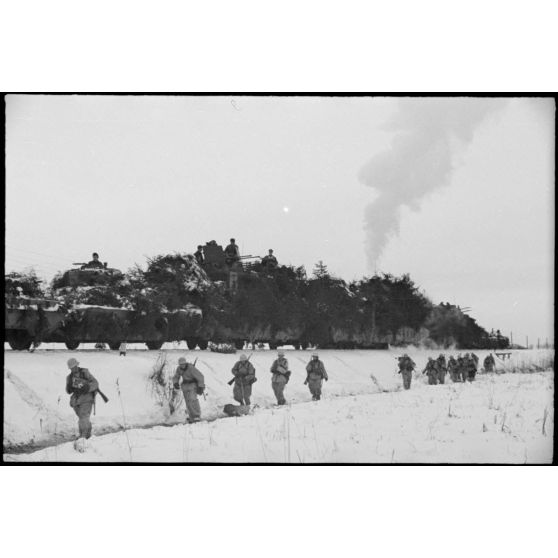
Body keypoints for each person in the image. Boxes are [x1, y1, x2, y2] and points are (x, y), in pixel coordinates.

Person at [65, 357, 99, 443]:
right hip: (76, 401)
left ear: (77, 365)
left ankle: (84, 436)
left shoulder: (85, 372)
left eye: (75, 366)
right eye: (72, 368)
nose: (74, 368)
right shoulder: (69, 377)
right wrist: (69, 388)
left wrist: (87, 387)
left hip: (87, 398)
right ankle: (86, 434)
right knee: (82, 418)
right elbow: (68, 391)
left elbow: (95, 383)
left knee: (84, 417)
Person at [173, 357, 205, 423]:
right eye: (181, 364)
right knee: (187, 401)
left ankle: (197, 415)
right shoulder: (179, 369)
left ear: (185, 363)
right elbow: (176, 376)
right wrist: (175, 382)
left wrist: (201, 387)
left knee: (193, 399)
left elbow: (200, 376)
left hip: (192, 385)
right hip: (185, 385)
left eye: (183, 364)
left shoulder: (191, 368)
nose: (182, 365)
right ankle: (191, 416)